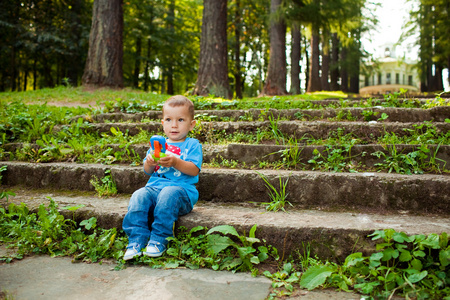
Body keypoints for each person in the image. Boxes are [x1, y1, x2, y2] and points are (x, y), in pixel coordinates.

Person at [122, 95, 202, 260]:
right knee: (138, 195)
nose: (174, 125)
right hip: (154, 189)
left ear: (191, 124)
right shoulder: (157, 145)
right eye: (168, 120)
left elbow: (194, 170)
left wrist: (175, 162)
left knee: (168, 193)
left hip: (182, 193)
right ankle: (136, 240)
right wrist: (150, 162)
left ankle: (159, 238)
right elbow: (147, 170)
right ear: (162, 123)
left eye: (180, 120)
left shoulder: (192, 145)